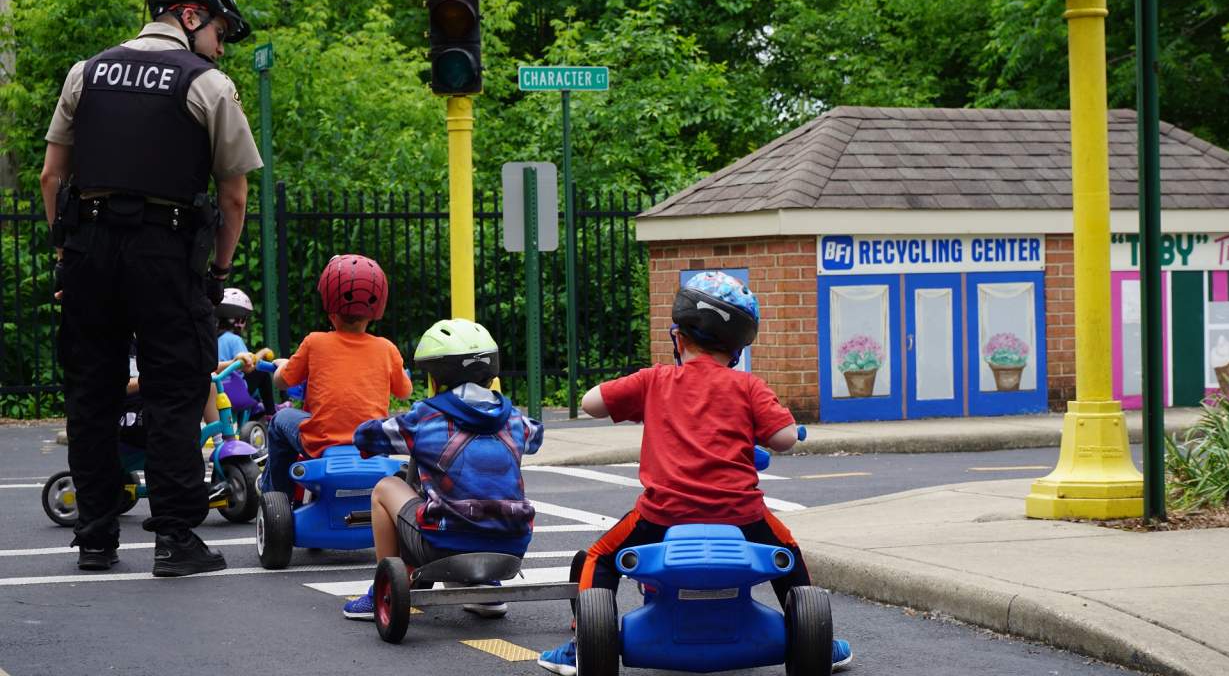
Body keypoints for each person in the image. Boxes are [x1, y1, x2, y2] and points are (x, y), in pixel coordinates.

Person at [39, 0, 260, 575]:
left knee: (92, 394)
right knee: (175, 393)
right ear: (190, 15)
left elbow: (52, 176)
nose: (220, 47)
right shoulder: (207, 83)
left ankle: (95, 537)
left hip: (89, 250)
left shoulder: (85, 73)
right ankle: (175, 541)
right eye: (219, 32)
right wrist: (218, 272)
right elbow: (234, 194)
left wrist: (66, 257)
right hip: (164, 253)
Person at [537, 272, 852, 675]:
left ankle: (581, 644)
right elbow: (785, 438)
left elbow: (590, 403)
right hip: (741, 516)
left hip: (663, 515)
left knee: (599, 557)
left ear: (679, 337)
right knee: (787, 554)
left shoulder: (654, 380)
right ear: (737, 348)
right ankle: (818, 643)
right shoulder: (749, 386)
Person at [341, 318, 544, 620]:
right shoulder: (515, 419)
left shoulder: (425, 418)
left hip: (444, 545)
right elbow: (536, 437)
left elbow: (366, 437)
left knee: (385, 488)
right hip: (512, 548)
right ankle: (484, 586)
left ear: (436, 379)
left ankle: (382, 589)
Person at [263, 254, 413, 495]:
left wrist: (283, 365)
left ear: (329, 305)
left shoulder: (315, 342)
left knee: (280, 421)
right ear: (375, 309)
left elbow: (282, 381)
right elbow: (405, 392)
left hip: (321, 441)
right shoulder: (387, 348)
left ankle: (278, 494)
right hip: (372, 442)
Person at [215, 287, 277, 417]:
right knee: (261, 373)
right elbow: (248, 366)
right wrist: (263, 352)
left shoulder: (214, 339)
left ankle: (256, 407)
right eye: (243, 319)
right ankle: (271, 413)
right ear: (237, 321)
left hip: (216, 391)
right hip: (234, 391)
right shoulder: (234, 339)